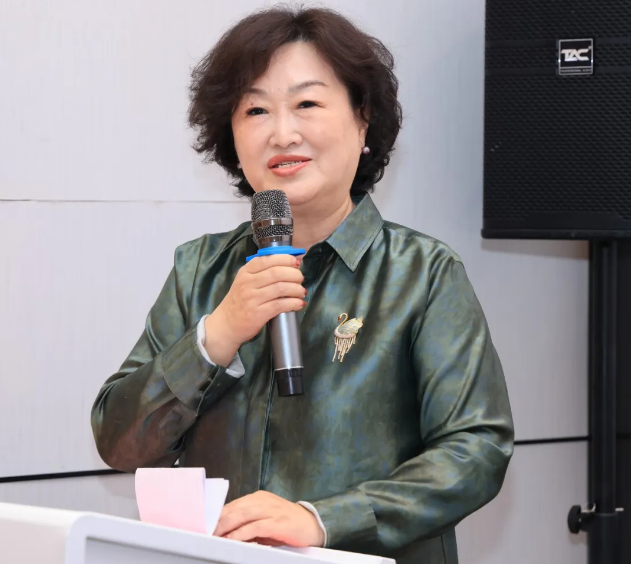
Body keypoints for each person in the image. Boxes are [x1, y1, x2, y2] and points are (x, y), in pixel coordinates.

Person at [91, 6, 514, 563]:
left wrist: (323, 519)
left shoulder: (422, 273)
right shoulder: (200, 269)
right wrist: (216, 336)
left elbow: (476, 449)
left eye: (307, 104)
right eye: (256, 110)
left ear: (362, 120)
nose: (282, 133)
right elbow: (119, 442)